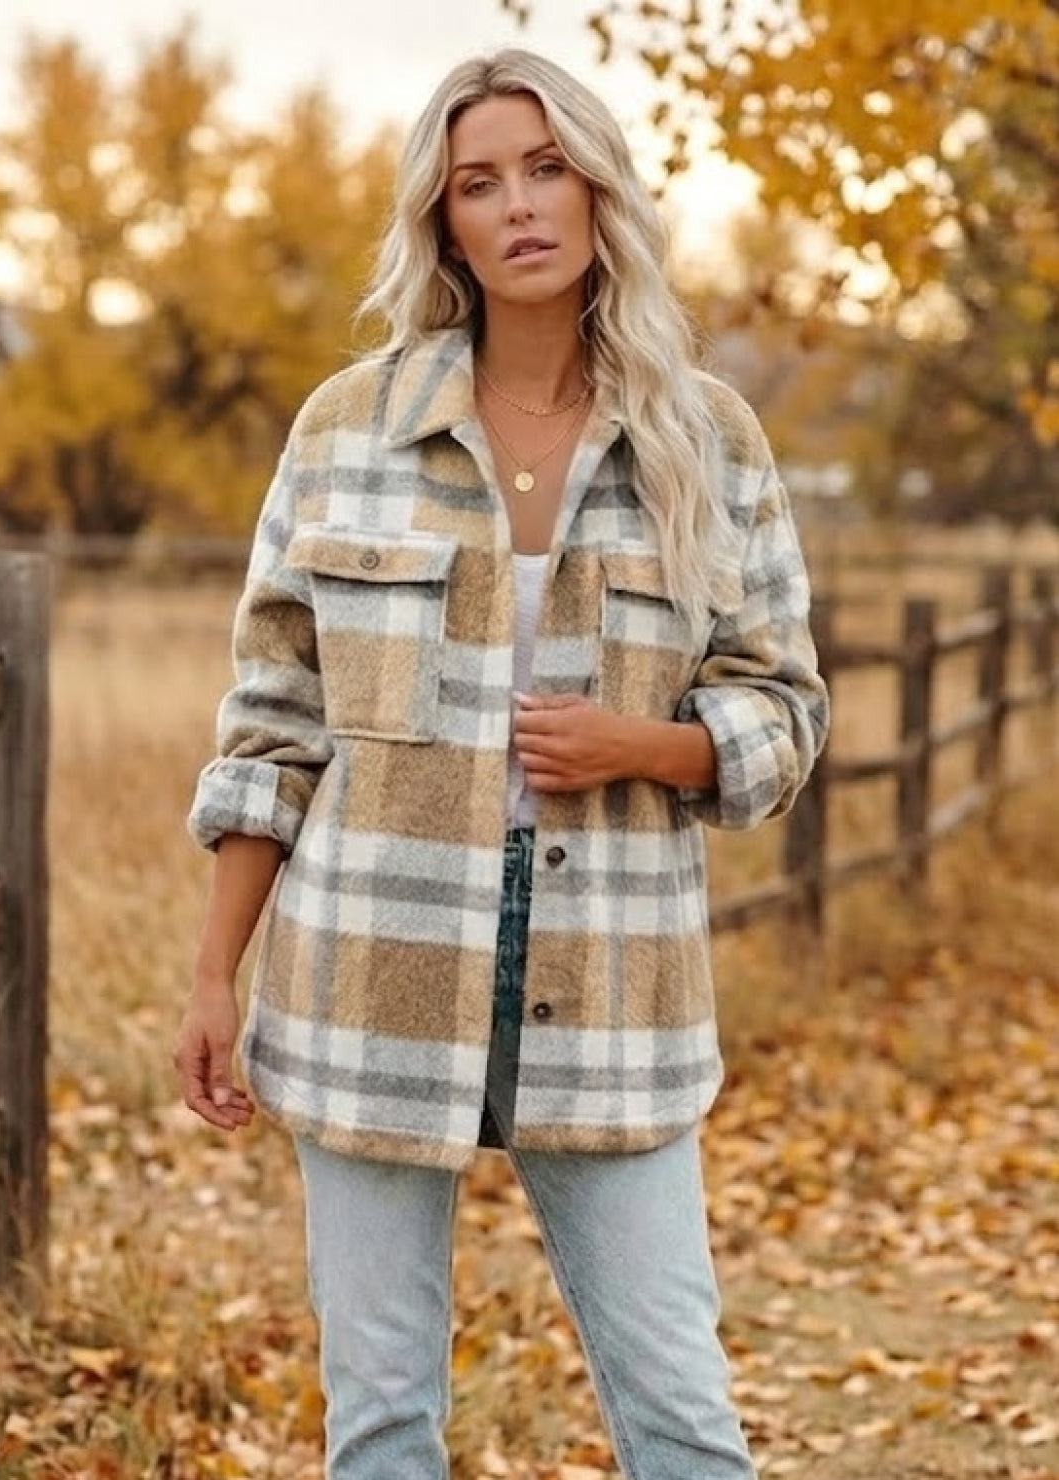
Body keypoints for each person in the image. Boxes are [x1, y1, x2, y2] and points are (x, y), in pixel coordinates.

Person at [174, 45, 830, 1480]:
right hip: (369, 973)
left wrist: (645, 745)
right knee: (384, 1423)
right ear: (445, 223)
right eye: (480, 182)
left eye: (545, 169)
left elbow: (784, 708)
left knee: (680, 1421)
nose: (518, 204)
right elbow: (273, 719)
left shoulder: (705, 442)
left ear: (597, 193)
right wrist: (218, 972)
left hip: (611, 984)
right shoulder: (346, 432)